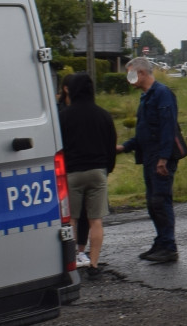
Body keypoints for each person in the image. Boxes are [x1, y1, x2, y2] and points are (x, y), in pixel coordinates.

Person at [118, 57, 181, 263]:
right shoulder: (146, 97)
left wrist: (163, 159)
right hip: (149, 157)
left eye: (131, 74)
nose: (130, 79)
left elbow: (167, 129)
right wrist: (125, 147)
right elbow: (144, 132)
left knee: (160, 201)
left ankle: (169, 246)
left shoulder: (162, 94)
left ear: (142, 73)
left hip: (160, 158)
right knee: (153, 203)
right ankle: (161, 241)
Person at [57, 73, 119, 279]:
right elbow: (111, 146)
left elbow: (59, 147)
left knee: (71, 220)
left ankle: (73, 260)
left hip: (72, 173)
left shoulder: (64, 116)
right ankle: (93, 264)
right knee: (96, 221)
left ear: (71, 90)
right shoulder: (103, 115)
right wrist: (107, 169)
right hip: (97, 172)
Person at [56, 82, 92, 269]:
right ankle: (74, 253)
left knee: (79, 214)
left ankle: (78, 251)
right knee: (74, 213)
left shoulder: (65, 114)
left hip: (75, 167)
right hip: (73, 168)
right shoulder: (60, 111)